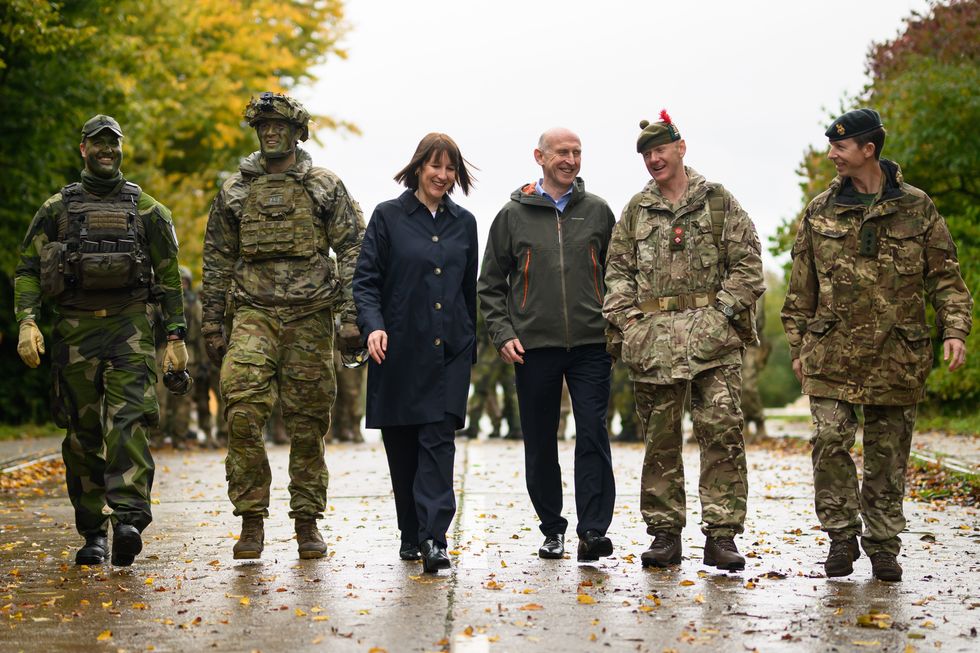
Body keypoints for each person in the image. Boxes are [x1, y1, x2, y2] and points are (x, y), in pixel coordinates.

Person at [781, 109, 973, 582]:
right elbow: (801, 288)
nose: (832, 154)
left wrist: (954, 330)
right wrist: (797, 347)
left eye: (840, 147)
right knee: (829, 440)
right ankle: (841, 536)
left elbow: (945, 278)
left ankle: (884, 545)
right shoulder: (821, 210)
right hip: (831, 352)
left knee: (888, 455)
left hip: (896, 354)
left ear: (868, 150)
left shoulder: (917, 207)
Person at [14, 114, 187, 567]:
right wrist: (28, 322)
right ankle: (92, 532)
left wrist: (175, 336)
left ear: (121, 148)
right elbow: (27, 270)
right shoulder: (56, 210)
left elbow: (169, 276)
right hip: (74, 331)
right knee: (81, 436)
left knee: (128, 424)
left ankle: (128, 521)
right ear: (83, 149)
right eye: (98, 143)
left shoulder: (148, 210)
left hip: (130, 328)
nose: (106, 150)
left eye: (113, 143)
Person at [201, 92, 364, 560]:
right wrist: (211, 324)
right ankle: (251, 520)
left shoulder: (324, 186)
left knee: (308, 422)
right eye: (263, 126)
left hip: (310, 316)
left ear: (297, 133)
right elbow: (216, 258)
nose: (271, 132)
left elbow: (353, 249)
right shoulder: (235, 191)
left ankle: (307, 521)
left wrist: (351, 316)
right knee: (242, 411)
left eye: (280, 126)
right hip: (253, 313)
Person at [604, 112, 765, 571]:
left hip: (713, 345)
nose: (654, 159)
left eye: (660, 150)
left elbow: (748, 265)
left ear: (680, 147)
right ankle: (664, 535)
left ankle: (722, 536)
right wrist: (631, 324)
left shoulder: (717, 202)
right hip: (653, 344)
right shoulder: (637, 210)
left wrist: (720, 316)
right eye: (646, 154)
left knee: (722, 435)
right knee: (660, 441)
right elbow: (617, 274)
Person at [479, 127, 617, 563]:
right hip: (533, 346)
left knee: (593, 433)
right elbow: (490, 285)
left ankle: (593, 531)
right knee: (540, 441)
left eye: (577, 152)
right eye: (562, 152)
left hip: (591, 343)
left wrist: (615, 326)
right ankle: (552, 529)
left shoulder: (598, 212)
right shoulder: (511, 215)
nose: (570, 160)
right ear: (539, 156)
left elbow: (618, 276)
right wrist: (503, 333)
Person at [354, 132, 478, 573]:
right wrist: (373, 326)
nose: (443, 175)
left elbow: (467, 290)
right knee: (403, 446)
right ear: (419, 167)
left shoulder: (465, 223)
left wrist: (469, 344)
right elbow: (366, 281)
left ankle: (434, 538)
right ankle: (412, 532)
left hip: (449, 352)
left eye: (450, 168)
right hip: (398, 350)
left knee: (438, 442)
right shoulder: (388, 217)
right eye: (435, 166)